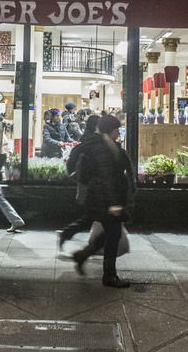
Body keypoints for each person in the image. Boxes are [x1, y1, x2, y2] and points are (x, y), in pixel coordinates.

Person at [72, 115, 135, 288]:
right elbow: (108, 177)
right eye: (117, 129)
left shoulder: (106, 145)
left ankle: (83, 255)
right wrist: (114, 204)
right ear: (110, 130)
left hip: (102, 197)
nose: (118, 132)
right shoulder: (104, 147)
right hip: (106, 198)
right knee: (113, 235)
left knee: (110, 233)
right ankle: (109, 275)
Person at [56, 115, 101, 250]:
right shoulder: (94, 140)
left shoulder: (86, 139)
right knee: (94, 215)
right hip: (93, 183)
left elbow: (72, 161)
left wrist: (75, 176)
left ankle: (71, 234)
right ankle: (73, 236)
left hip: (87, 181)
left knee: (93, 214)